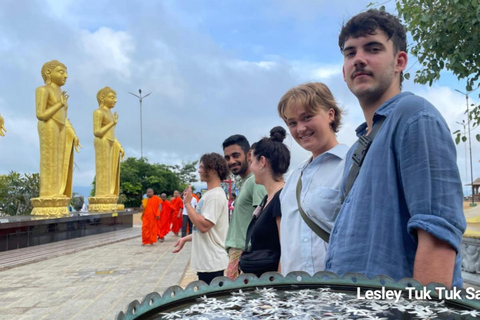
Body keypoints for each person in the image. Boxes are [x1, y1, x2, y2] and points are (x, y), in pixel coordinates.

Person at [325, 9, 466, 288]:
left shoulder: (414, 116)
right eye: (350, 53)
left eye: (373, 48)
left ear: (399, 61)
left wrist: (423, 312)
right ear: (343, 71)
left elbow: (437, 236)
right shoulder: (357, 147)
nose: (359, 59)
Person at [277, 82, 349, 275]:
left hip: (336, 294)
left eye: (307, 117)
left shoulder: (352, 166)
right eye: (292, 123)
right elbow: (288, 243)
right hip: (293, 295)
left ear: (330, 115)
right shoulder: (293, 178)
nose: (300, 129)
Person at [239, 127, 290, 277]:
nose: (251, 167)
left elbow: (285, 250)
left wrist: (277, 289)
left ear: (262, 162)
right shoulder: (267, 198)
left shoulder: (282, 198)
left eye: (252, 162)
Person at [173, 153, 229, 285]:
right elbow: (206, 230)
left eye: (203, 167)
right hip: (206, 261)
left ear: (214, 170)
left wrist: (187, 204)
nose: (199, 170)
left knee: (212, 302)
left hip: (212, 262)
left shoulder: (215, 196)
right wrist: (185, 238)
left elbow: (204, 226)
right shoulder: (209, 194)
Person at [33, 60, 81, 213]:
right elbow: (41, 115)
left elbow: (64, 117)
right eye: (61, 72)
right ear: (48, 73)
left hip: (61, 127)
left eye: (66, 72)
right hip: (48, 126)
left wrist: (72, 133)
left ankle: (57, 192)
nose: (65, 76)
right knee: (49, 160)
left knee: (60, 162)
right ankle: (48, 194)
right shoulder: (43, 90)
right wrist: (59, 104)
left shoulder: (61, 94)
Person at [223, 135, 267, 280]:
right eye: (227, 157)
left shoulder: (255, 182)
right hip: (238, 253)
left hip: (245, 253)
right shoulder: (245, 182)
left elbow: (263, 220)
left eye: (236, 155)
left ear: (248, 154)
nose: (231, 161)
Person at [92, 87, 125, 199]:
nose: (115, 100)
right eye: (112, 97)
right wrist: (112, 123)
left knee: (110, 169)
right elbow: (97, 132)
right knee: (103, 168)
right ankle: (102, 193)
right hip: (102, 141)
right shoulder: (99, 112)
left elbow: (111, 134)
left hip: (111, 142)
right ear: (102, 98)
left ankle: (108, 192)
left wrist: (119, 145)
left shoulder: (110, 113)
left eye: (115, 98)